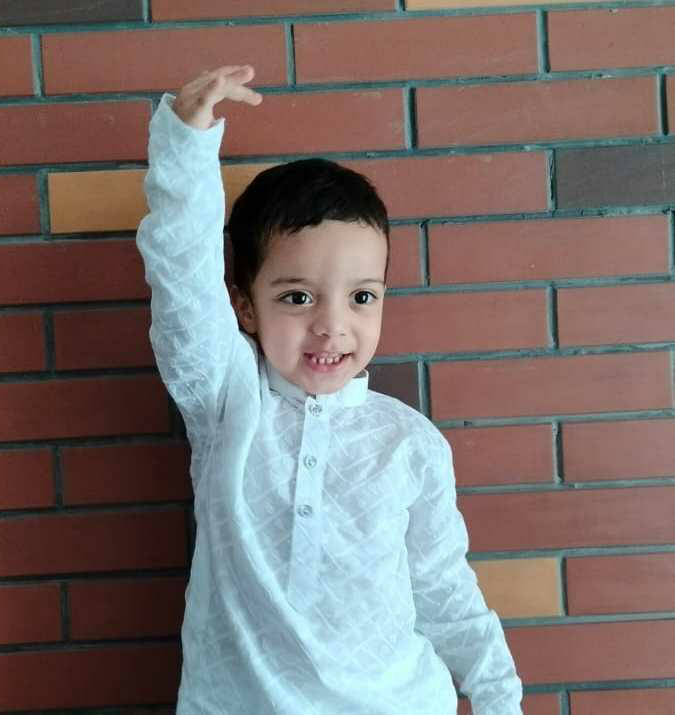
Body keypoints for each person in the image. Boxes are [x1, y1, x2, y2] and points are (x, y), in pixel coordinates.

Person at [136, 64, 523, 715]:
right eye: (297, 297)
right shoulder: (226, 401)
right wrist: (186, 144)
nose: (331, 325)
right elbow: (182, 279)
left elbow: (444, 590)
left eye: (361, 297)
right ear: (245, 305)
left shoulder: (410, 442)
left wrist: (499, 698)